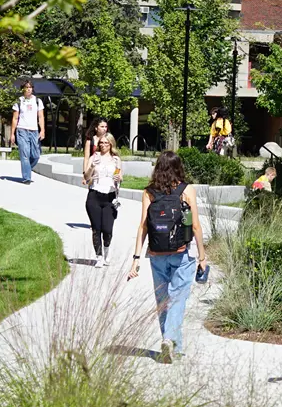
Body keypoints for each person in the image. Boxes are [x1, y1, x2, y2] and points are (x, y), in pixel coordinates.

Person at [127, 151, 208, 363]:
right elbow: (196, 226)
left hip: (156, 253)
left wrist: (136, 258)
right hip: (182, 253)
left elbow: (143, 226)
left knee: (163, 300)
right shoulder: (187, 190)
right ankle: (170, 339)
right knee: (178, 299)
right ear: (179, 167)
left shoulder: (149, 192)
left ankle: (174, 347)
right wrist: (202, 255)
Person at [84, 134, 122, 267]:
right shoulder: (94, 157)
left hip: (109, 197)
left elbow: (119, 176)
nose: (103, 145)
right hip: (94, 195)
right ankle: (99, 256)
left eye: (106, 143)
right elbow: (86, 177)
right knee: (96, 228)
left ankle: (106, 249)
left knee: (107, 229)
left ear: (111, 144)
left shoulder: (116, 159)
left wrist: (119, 178)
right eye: (101, 143)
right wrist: (92, 167)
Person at [10, 79, 45, 184]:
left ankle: (27, 168)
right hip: (22, 130)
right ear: (23, 89)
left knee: (36, 155)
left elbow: (41, 117)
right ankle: (27, 177)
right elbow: (15, 118)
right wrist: (12, 133)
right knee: (25, 154)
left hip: (34, 131)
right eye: (26, 87)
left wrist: (42, 130)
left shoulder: (38, 101)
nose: (29, 89)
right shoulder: (19, 101)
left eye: (30, 87)